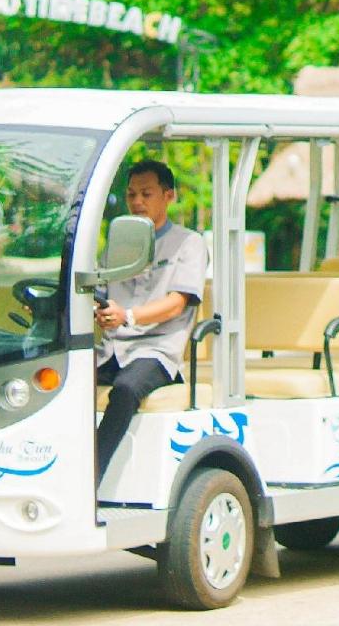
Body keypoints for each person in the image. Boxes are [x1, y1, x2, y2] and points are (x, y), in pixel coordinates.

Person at [92, 159, 208, 483]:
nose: (138, 202)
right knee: (62, 379)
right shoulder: (117, 243)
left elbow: (177, 303)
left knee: (126, 388)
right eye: (131, 195)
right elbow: (98, 291)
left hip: (155, 351)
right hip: (112, 348)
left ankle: (91, 480)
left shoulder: (189, 242)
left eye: (147, 193)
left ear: (168, 196)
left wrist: (127, 316)